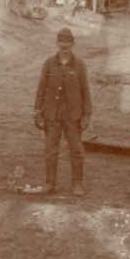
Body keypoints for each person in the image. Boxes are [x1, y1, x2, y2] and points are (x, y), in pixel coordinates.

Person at [33, 27, 93, 196]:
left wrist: (86, 114)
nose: (64, 45)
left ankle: (78, 184)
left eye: (67, 42)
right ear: (57, 43)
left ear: (72, 44)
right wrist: (38, 112)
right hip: (51, 115)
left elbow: (85, 90)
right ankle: (50, 183)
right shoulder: (49, 63)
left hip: (73, 116)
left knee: (76, 150)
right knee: (51, 150)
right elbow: (41, 88)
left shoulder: (79, 65)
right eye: (61, 42)